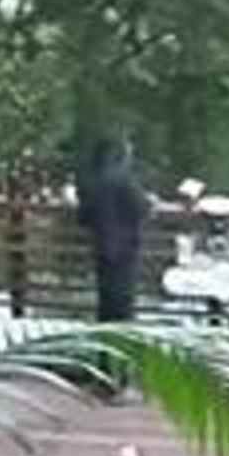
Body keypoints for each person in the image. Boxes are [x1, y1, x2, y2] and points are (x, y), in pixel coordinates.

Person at [76, 138, 151, 323]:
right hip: (126, 246)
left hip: (102, 243)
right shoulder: (126, 180)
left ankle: (105, 326)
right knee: (124, 293)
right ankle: (123, 327)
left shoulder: (94, 180)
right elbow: (142, 208)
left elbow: (83, 216)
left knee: (106, 293)